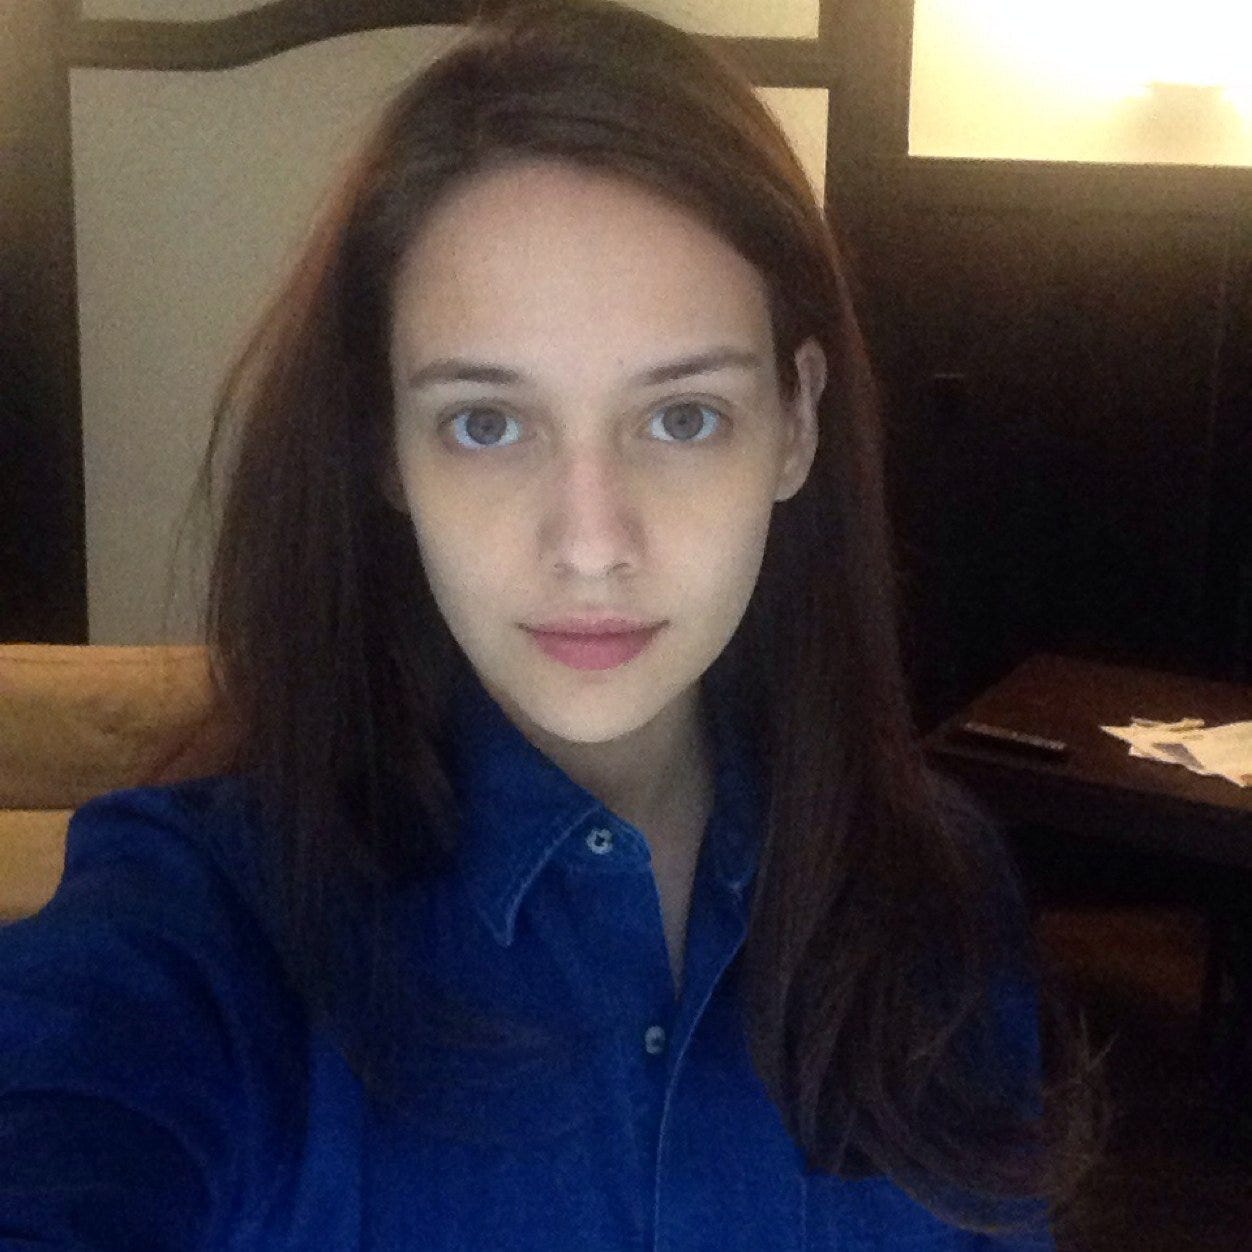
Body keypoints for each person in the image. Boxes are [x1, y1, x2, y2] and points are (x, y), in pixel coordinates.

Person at [0, 0, 1095, 1247]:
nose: (589, 543)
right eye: (487, 423)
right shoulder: (208, 921)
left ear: (794, 423)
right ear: (384, 443)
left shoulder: (934, 886)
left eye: (682, 418)